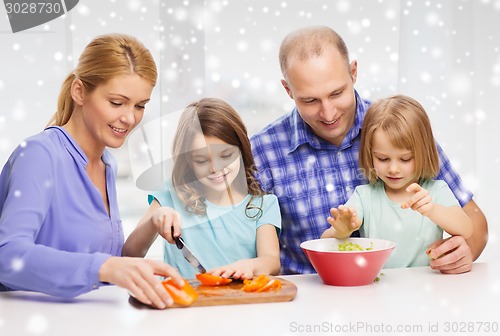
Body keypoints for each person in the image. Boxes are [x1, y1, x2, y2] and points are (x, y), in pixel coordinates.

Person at [250, 25, 488, 275]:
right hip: (307, 299)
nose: (328, 113)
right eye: (310, 100)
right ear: (288, 90)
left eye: (337, 93)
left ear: (353, 72)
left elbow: (475, 222)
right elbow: (238, 244)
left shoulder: (398, 129)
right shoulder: (262, 151)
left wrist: (463, 252)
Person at [0, 33, 183, 309]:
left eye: (140, 105)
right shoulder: (39, 154)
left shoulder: (107, 164)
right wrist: (106, 267)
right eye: (117, 102)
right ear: (79, 91)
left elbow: (104, 260)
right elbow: (6, 255)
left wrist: (153, 221)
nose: (130, 118)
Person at [122, 98, 281, 280]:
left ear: (241, 149)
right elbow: (130, 253)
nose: (215, 168)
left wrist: (249, 266)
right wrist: (152, 222)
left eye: (226, 155)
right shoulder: (171, 195)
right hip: (183, 304)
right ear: (188, 161)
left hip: (240, 302)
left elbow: (271, 261)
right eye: (202, 160)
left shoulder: (263, 204)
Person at [320, 94, 473, 268]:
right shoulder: (364, 196)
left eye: (405, 159)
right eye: (383, 159)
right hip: (379, 289)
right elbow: (326, 241)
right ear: (370, 154)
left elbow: (466, 229)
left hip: (427, 288)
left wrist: (432, 210)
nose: (393, 169)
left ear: (424, 152)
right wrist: (342, 230)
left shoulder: (436, 191)